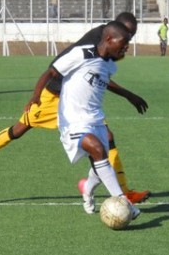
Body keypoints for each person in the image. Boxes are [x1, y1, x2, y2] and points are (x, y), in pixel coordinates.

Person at [0, 12, 151, 204]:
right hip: (53, 95)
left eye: (132, 36)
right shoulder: (98, 41)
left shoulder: (113, 45)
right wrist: (37, 95)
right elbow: (59, 67)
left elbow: (98, 77)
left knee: (107, 139)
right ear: (114, 29)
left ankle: (124, 193)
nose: (128, 42)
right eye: (127, 35)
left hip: (78, 104)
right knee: (18, 130)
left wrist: (128, 95)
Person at [50, 21, 142, 218]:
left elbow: (105, 81)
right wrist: (36, 96)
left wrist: (129, 95)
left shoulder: (108, 64)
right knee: (98, 150)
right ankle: (124, 202)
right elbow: (51, 72)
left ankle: (88, 188)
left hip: (95, 118)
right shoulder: (82, 53)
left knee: (100, 163)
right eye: (125, 42)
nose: (126, 47)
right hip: (73, 121)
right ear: (109, 38)